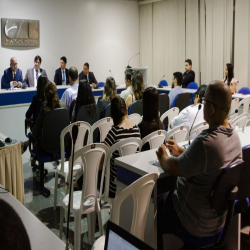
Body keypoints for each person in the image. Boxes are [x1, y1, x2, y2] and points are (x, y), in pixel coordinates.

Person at [156, 80, 242, 250]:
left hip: (192, 221)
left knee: (152, 207)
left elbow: (173, 168)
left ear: (211, 108)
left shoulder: (206, 142)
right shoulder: (234, 139)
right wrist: (183, 152)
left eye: (204, 103)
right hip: (217, 221)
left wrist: (163, 156)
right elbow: (207, 163)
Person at [104, 96, 141, 197]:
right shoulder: (136, 129)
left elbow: (102, 158)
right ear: (126, 110)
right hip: (133, 181)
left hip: (115, 186)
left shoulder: (114, 132)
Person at [21, 75, 48, 154]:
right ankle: (27, 145)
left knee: (36, 128)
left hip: (38, 130)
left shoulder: (36, 99)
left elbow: (28, 115)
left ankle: (26, 144)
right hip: (49, 129)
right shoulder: (50, 99)